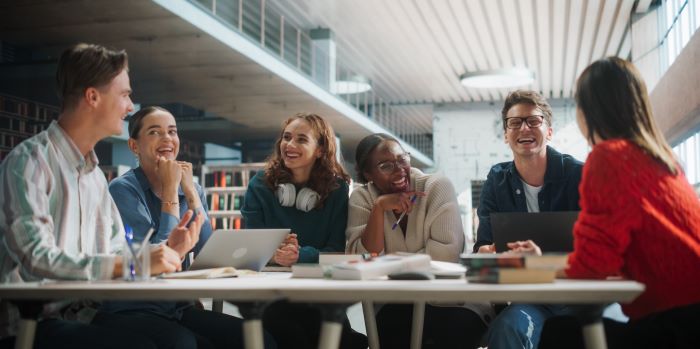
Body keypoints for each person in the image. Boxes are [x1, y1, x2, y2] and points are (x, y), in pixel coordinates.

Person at [0, 43, 198, 348]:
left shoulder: (93, 176)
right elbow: (35, 257)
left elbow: (118, 250)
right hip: (30, 325)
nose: (130, 106)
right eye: (124, 95)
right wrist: (135, 264)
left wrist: (165, 249)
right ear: (93, 97)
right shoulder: (29, 162)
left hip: (83, 315)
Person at [531, 57, 700, 349]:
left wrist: (535, 268)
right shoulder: (663, 160)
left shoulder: (609, 157)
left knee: (558, 333)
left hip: (677, 326)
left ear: (589, 112)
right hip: (688, 316)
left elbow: (591, 266)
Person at [93, 106, 275, 349]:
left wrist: (191, 192)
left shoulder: (192, 188)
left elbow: (208, 253)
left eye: (172, 132)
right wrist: (170, 189)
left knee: (258, 339)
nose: (167, 138)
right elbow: (156, 261)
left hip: (178, 307)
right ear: (134, 146)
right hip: (134, 307)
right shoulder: (122, 190)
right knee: (188, 344)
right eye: (155, 132)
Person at [346, 133, 488, 349]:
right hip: (393, 303)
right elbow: (360, 260)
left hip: (449, 301)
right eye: (385, 166)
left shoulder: (436, 186)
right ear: (368, 174)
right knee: (394, 327)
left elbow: (445, 258)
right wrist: (379, 208)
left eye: (402, 159)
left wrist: (387, 262)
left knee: (448, 331)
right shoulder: (362, 198)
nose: (399, 170)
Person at [241, 113, 366, 349]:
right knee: (291, 336)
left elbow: (336, 250)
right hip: (272, 292)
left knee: (342, 340)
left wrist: (301, 256)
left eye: (301, 139)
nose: (289, 145)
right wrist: (274, 254)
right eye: (286, 137)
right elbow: (252, 246)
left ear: (320, 150)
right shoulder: (260, 184)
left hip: (317, 288)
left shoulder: (337, 190)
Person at [474, 90, 584, 349]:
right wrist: (489, 252)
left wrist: (541, 260)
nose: (524, 127)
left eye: (533, 121)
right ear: (505, 135)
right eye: (515, 122)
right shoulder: (497, 179)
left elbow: (599, 248)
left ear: (549, 131)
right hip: (531, 298)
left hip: (578, 294)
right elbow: (482, 247)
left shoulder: (579, 174)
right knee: (507, 328)